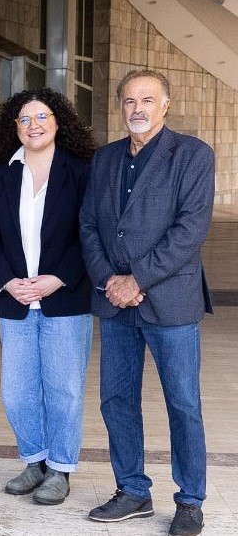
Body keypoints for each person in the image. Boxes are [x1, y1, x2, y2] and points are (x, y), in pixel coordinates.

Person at [81, 69, 212, 536]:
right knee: (116, 400)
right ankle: (132, 490)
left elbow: (190, 231)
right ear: (120, 107)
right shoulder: (106, 159)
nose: (137, 109)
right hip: (116, 303)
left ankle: (190, 499)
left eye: (147, 100)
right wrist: (110, 280)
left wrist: (137, 279)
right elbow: (90, 227)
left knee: (183, 403)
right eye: (129, 101)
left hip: (170, 302)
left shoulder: (193, 155)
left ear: (166, 105)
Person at [0, 89, 94, 505]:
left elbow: (89, 235)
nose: (34, 125)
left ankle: (61, 469)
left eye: (42, 117)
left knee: (63, 388)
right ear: (15, 127)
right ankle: (35, 460)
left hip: (66, 298)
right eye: (24, 119)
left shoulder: (81, 171)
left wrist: (57, 279)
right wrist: (8, 281)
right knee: (17, 390)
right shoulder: (3, 174)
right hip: (15, 299)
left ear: (58, 121)